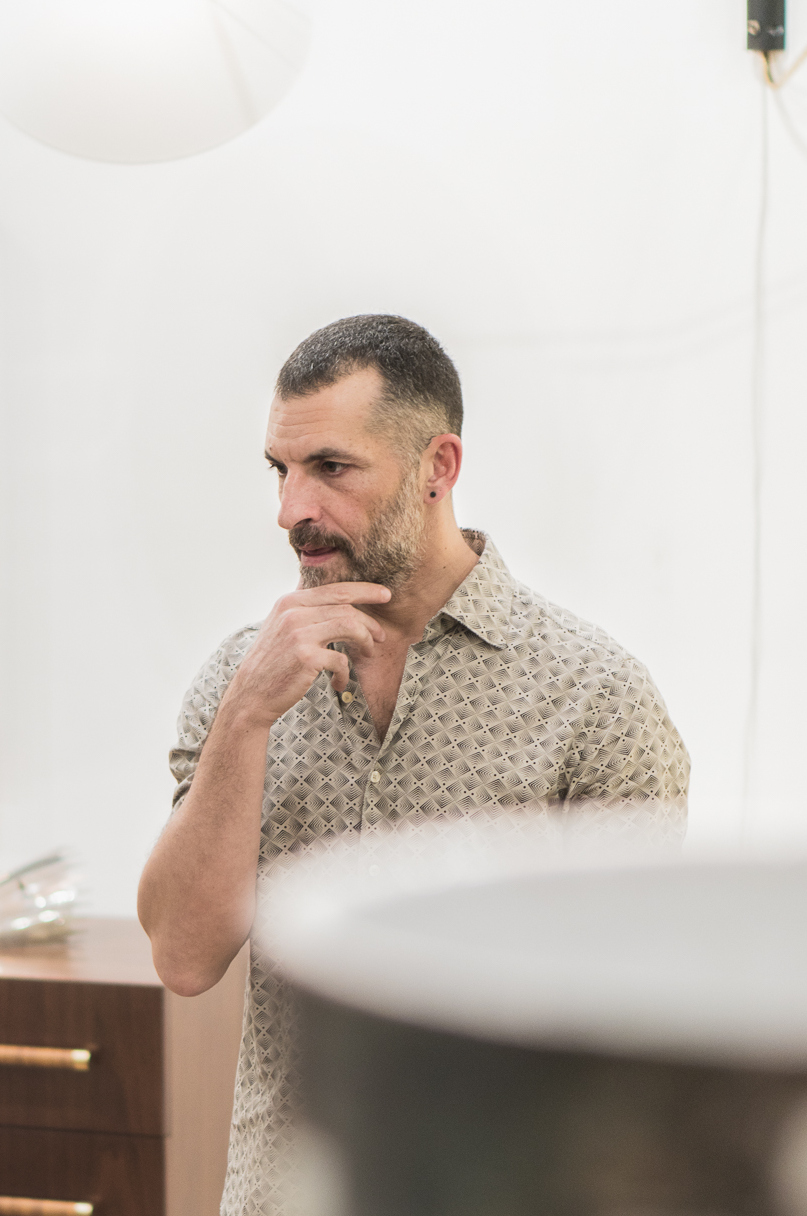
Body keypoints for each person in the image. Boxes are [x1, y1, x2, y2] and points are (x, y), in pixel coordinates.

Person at [138, 314, 689, 1216]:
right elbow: (184, 956)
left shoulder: (596, 699)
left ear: (438, 467)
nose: (291, 510)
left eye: (331, 467)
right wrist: (245, 718)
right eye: (281, 470)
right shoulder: (243, 681)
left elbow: (633, 1028)